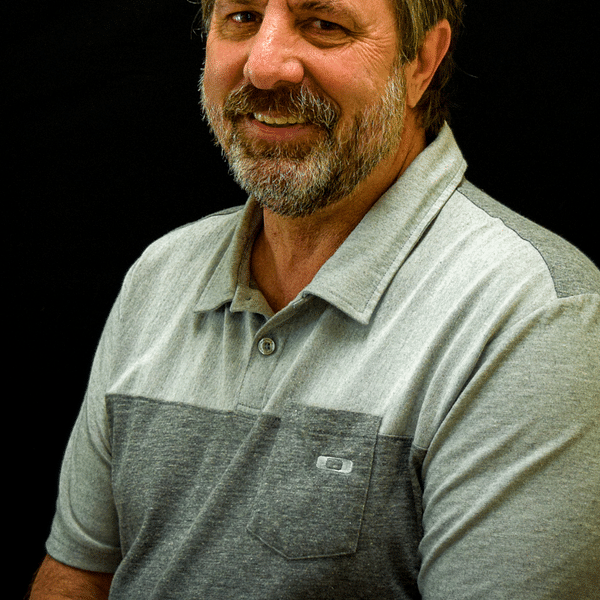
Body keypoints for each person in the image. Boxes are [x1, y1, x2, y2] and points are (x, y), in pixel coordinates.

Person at [30, 0, 599, 598]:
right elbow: (79, 577)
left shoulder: (530, 314)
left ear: (422, 62)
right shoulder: (160, 275)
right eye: (242, 17)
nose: (264, 65)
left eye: (324, 24)